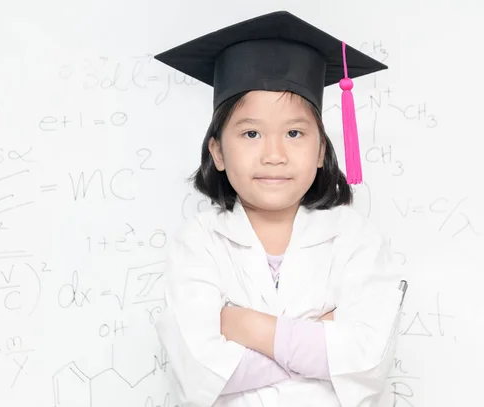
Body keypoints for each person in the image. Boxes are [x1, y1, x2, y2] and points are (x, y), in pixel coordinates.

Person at [153, 11, 408, 407]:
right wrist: (315, 343)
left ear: (321, 150)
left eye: (294, 133)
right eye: (251, 133)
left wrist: (249, 327)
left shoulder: (355, 237)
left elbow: (366, 360)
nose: (274, 155)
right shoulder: (198, 242)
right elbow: (202, 373)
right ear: (217, 151)